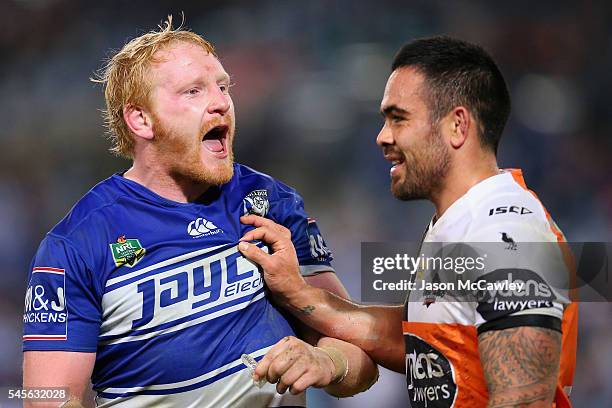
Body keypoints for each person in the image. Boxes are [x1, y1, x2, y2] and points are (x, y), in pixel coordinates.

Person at [22, 17, 378, 407]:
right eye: (193, 91)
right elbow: (46, 397)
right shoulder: (76, 244)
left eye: (223, 87)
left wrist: (328, 361)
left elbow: (359, 354)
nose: (221, 102)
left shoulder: (271, 203)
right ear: (140, 119)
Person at [238, 36, 578, 407]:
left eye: (398, 118)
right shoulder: (461, 222)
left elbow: (524, 400)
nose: (383, 137)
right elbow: (423, 344)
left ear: (457, 126)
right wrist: (301, 294)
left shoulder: (505, 234)